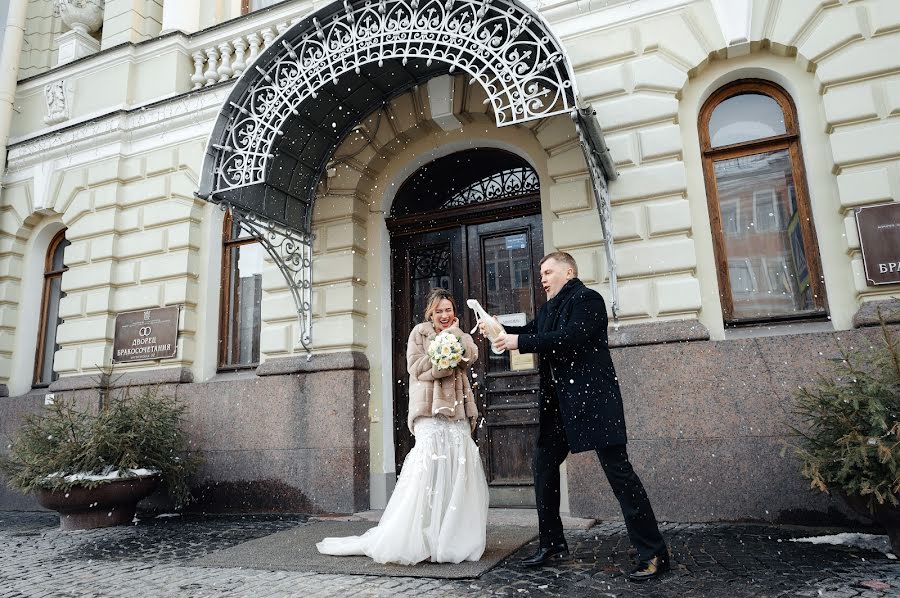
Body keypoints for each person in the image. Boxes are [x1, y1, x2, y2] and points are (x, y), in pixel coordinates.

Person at [487, 251, 669, 581]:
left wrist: (518, 341)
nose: (541, 278)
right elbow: (529, 330)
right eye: (540, 273)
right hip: (560, 407)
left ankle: (654, 553)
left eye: (548, 272)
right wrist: (496, 327)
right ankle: (553, 543)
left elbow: (568, 338)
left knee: (620, 475)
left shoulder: (588, 300)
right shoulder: (548, 309)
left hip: (595, 404)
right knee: (543, 466)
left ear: (569, 271)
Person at [317, 288, 488, 565]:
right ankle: (420, 536)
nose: (444, 315)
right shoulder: (418, 334)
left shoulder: (461, 335)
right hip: (429, 414)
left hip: (455, 413)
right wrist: (444, 361)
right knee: (429, 472)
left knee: (457, 471)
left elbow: (470, 356)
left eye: (449, 310)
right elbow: (417, 368)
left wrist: (453, 338)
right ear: (430, 313)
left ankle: (450, 536)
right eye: (439, 310)